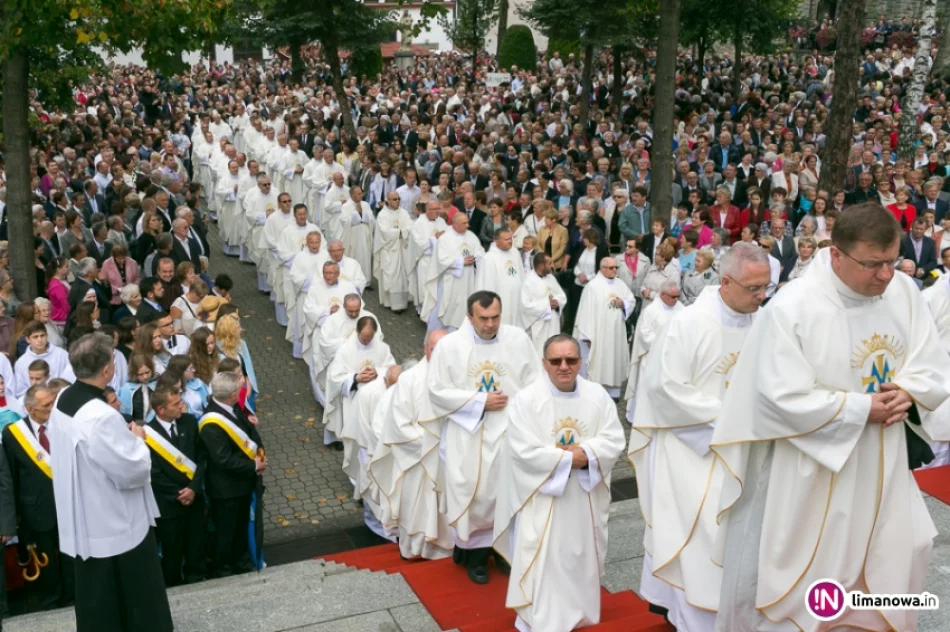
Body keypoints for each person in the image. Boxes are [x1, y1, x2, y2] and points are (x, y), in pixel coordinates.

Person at [708, 203, 950, 630]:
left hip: (885, 460)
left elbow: (930, 357)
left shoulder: (904, 292)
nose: (885, 275)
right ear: (836, 254)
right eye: (872, 264)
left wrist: (909, 390)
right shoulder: (794, 308)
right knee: (818, 570)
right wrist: (859, 408)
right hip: (817, 470)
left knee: (905, 549)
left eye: (891, 262)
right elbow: (777, 396)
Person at [629, 242, 770, 631]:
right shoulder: (688, 324)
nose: (761, 297)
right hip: (693, 451)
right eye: (754, 289)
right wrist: (731, 418)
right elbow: (665, 389)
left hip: (748, 449)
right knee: (698, 538)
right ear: (725, 282)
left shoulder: (763, 322)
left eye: (766, 288)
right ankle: (690, 615)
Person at [493, 334, 625, 632]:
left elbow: (614, 438)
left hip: (583, 495)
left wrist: (585, 453)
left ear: (581, 361)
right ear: (544, 363)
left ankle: (581, 612)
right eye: (556, 361)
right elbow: (522, 450)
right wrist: (569, 459)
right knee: (545, 559)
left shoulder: (598, 395)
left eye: (571, 360)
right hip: (544, 497)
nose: (564, 366)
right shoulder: (527, 400)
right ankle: (541, 618)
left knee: (580, 556)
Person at [48, 333, 172, 632]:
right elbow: (132, 471)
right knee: (134, 593)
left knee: (99, 594)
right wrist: (138, 440)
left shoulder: (64, 399)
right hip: (115, 518)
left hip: (85, 510)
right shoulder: (100, 416)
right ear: (107, 369)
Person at [426, 291, 541, 584]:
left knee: (507, 492)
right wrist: (479, 401)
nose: (491, 324)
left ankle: (504, 553)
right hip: (469, 434)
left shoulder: (517, 339)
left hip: (510, 431)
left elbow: (534, 382)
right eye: (484, 319)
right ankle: (475, 557)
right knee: (475, 493)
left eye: (496, 317)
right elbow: (437, 391)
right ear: (469, 317)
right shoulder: (450, 347)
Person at [369, 330, 454, 560]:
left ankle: (449, 550)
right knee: (418, 510)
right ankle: (417, 551)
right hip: (417, 462)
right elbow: (399, 425)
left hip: (450, 460)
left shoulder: (458, 377)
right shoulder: (409, 379)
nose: (439, 354)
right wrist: (433, 446)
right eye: (434, 349)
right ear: (425, 348)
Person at [2, 385, 75, 608]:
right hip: (35, 509)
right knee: (46, 559)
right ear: (29, 408)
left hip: (68, 504)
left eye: (53, 403)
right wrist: (15, 517)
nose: (51, 408)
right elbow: (11, 476)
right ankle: (51, 600)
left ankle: (73, 595)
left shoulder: (63, 426)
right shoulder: (14, 433)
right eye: (46, 406)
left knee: (70, 556)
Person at [200, 371, 266, 577]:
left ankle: (242, 562)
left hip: (242, 484)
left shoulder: (233, 407)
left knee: (240, 529)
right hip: (225, 489)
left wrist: (260, 451)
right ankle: (224, 569)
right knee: (225, 533)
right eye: (238, 390)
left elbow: (249, 432)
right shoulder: (211, 423)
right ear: (231, 394)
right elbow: (223, 459)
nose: (240, 391)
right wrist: (253, 466)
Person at [145, 384, 206, 586]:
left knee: (196, 546)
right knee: (172, 551)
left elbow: (201, 457)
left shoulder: (189, 422)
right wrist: (180, 493)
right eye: (176, 403)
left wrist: (194, 488)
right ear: (161, 410)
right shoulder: (147, 435)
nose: (182, 406)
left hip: (194, 499)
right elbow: (153, 473)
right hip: (169, 505)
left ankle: (197, 578)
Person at [324, 316, 395, 451]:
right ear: (357, 332)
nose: (367, 341)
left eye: (370, 337)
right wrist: (356, 378)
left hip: (376, 397)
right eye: (364, 337)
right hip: (353, 397)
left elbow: (391, 369)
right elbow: (336, 377)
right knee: (356, 434)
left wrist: (377, 372)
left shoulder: (383, 348)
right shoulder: (345, 350)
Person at [572, 257, 635, 398]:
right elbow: (585, 312)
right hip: (598, 333)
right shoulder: (593, 286)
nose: (614, 270)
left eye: (616, 268)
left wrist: (623, 303)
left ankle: (613, 394)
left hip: (616, 333)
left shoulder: (620, 283)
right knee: (598, 362)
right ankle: (595, 393)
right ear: (602, 268)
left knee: (613, 361)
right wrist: (586, 336)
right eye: (611, 268)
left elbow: (631, 299)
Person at [623, 281, 683, 423]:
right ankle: (641, 417)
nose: (676, 300)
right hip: (652, 357)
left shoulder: (681, 309)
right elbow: (645, 335)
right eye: (673, 297)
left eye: (678, 297)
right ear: (662, 294)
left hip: (674, 357)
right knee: (647, 389)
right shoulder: (650, 311)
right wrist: (665, 343)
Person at [421, 213, 485, 332]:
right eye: (464, 223)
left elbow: (480, 251)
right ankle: (446, 333)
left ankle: (464, 331)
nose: (468, 225)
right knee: (450, 308)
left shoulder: (471, 236)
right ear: (455, 224)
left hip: (468, 279)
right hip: (451, 281)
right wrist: (461, 261)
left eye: (467, 222)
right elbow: (441, 260)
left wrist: (476, 257)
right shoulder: (445, 238)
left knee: (465, 306)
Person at [285, 231, 327, 359]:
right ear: (307, 243)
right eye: (311, 242)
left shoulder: (326, 255)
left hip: (321, 297)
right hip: (305, 296)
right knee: (302, 322)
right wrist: (312, 280)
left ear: (320, 242)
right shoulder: (300, 257)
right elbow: (294, 276)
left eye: (317, 242)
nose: (314, 245)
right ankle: (301, 351)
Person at [520, 253, 567, 356]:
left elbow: (561, 295)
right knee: (541, 353)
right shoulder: (528, 282)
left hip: (554, 323)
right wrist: (547, 305)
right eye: (550, 263)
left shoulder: (551, 278)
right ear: (541, 266)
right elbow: (525, 306)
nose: (553, 266)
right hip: (540, 327)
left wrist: (557, 302)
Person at [373, 191, 413, 313]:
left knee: (403, 277)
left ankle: (402, 302)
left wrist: (401, 232)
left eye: (398, 198)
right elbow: (384, 231)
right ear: (388, 201)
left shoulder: (404, 213)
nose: (397, 201)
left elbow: (410, 226)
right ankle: (389, 302)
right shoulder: (382, 215)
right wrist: (401, 232)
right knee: (390, 276)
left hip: (402, 249)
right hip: (389, 251)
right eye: (394, 199)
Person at [475, 229, 524, 326]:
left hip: (517, 297)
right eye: (506, 239)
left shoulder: (515, 252)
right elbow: (486, 284)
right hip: (502, 298)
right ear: (496, 241)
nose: (510, 241)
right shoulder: (489, 258)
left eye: (511, 238)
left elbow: (521, 274)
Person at [14, 321, 75, 398]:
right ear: (27, 339)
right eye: (35, 337)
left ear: (47, 335)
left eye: (42, 335)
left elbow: (70, 378)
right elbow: (20, 392)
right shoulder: (21, 363)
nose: (40, 340)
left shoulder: (62, 355)